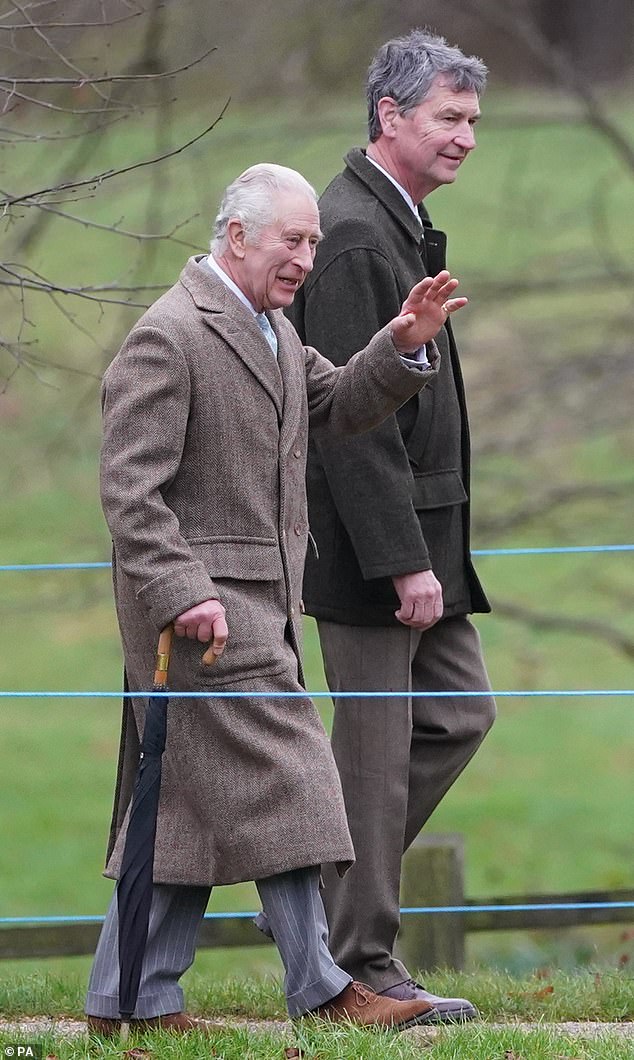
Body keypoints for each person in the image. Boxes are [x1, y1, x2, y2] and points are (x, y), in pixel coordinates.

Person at [85, 162, 470, 1037]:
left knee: (182, 812)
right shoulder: (171, 335)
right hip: (202, 617)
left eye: (312, 241)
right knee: (296, 781)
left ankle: (129, 999)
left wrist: (402, 344)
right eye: (292, 240)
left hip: (257, 608)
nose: (305, 256)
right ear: (237, 238)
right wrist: (184, 592)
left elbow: (335, 403)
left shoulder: (271, 330)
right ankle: (326, 990)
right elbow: (130, 492)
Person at [286, 31, 497, 1021]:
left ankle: (318, 896)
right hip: (378, 550)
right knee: (369, 760)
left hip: (425, 543)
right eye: (449, 118)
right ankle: (359, 968)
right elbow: (348, 428)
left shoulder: (395, 222)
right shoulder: (356, 233)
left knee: (458, 713)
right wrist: (403, 562)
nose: (466, 138)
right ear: (391, 117)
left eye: (471, 120)